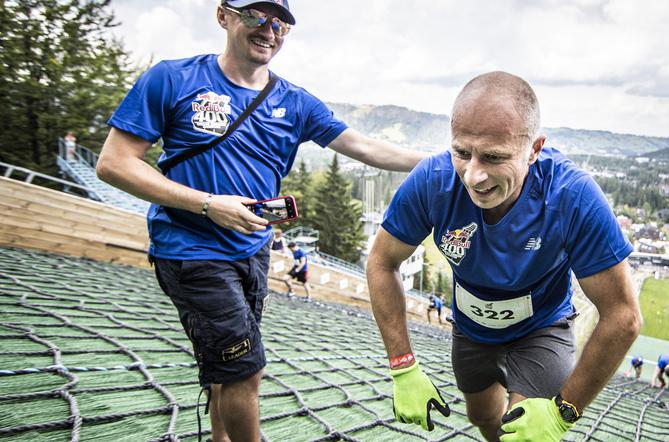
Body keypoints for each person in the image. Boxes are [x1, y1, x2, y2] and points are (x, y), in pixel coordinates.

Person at [94, 1, 425, 440]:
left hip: (253, 251)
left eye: (280, 24)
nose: (269, 30)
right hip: (190, 249)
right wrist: (208, 204)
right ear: (223, 16)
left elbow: (365, 148)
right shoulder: (172, 79)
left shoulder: (295, 102)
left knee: (227, 368)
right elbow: (114, 163)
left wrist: (448, 162)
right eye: (255, 16)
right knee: (245, 370)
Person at [366, 71, 641, 442]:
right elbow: (382, 262)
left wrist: (563, 412)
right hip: (471, 330)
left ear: (534, 149)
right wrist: (403, 367)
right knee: (482, 417)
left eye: (494, 157)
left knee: (523, 433)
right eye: (462, 153)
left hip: (541, 328)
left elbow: (623, 315)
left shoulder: (572, 197)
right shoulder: (433, 179)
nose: (473, 176)